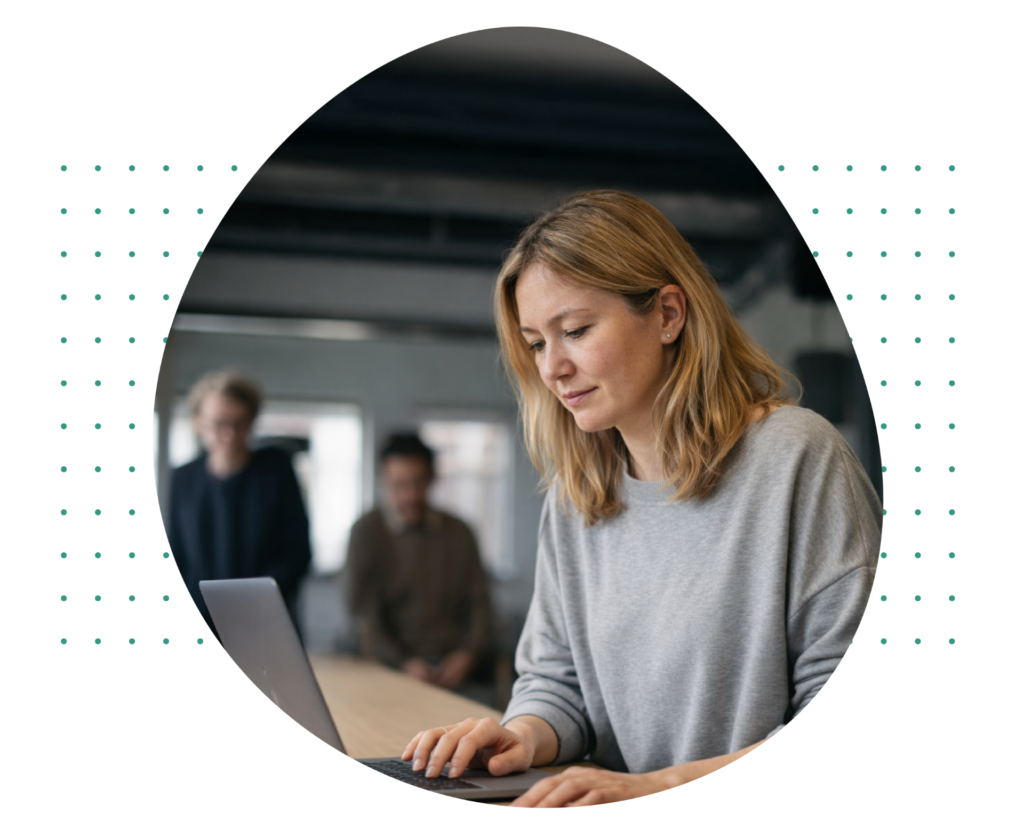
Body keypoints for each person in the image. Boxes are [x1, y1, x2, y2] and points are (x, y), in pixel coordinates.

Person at [399, 190, 882, 807]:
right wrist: (520, 735)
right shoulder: (576, 495)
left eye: (575, 331)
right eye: (537, 343)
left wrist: (655, 785)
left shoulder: (798, 459)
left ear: (668, 315)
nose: (552, 368)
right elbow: (559, 682)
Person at [167, 370, 312, 645]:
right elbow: (178, 554)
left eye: (240, 423)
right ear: (198, 423)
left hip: (265, 622)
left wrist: (255, 602)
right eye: (219, 423)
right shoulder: (183, 478)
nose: (230, 434)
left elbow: (297, 552)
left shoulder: (276, 469)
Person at [344, 433, 493, 692]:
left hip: (455, 669)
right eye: (399, 485)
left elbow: (479, 605)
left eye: (418, 483)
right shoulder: (366, 532)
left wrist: (467, 655)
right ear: (383, 480)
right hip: (389, 670)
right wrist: (404, 663)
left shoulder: (459, 532)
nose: (410, 495)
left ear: (433, 478)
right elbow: (363, 615)